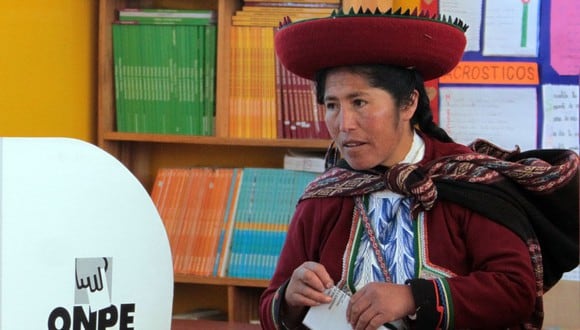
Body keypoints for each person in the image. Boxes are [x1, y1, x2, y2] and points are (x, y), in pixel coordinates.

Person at [259, 7, 580, 330]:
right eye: (332, 105)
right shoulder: (325, 195)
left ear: (409, 103)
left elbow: (516, 290)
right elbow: (271, 305)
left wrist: (415, 297)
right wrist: (289, 297)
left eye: (359, 103)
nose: (344, 125)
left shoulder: (466, 181)